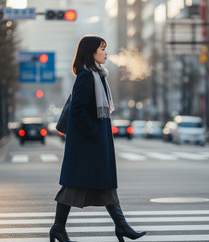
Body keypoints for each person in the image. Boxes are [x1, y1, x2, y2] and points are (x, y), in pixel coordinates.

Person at [49, 35, 146, 242]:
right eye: (102, 48)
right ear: (91, 52)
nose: (106, 52)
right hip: (87, 145)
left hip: (93, 143)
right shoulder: (86, 76)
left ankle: (121, 225)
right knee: (75, 186)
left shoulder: (97, 75)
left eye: (105, 48)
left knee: (104, 185)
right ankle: (59, 228)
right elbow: (77, 111)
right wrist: (94, 133)